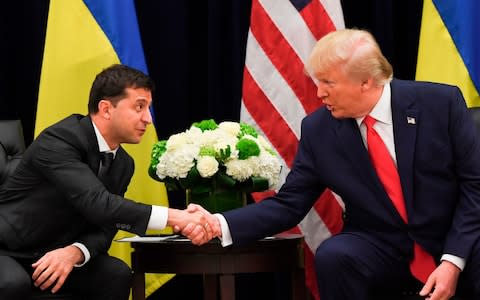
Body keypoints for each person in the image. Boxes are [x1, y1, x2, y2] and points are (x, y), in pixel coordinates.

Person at [183, 29, 480, 300]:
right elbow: (289, 204)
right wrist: (218, 223)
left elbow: (474, 185)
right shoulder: (319, 130)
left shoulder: (440, 103)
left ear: (366, 81)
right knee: (334, 255)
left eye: (328, 83)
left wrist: (453, 261)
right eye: (317, 82)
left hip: (453, 237)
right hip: (382, 246)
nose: (319, 93)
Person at [0, 64, 212, 300]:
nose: (148, 119)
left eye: (148, 108)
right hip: (7, 249)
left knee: (116, 274)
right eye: (139, 107)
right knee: (12, 283)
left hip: (53, 253)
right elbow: (98, 203)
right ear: (106, 109)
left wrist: (75, 252)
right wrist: (176, 216)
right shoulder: (59, 140)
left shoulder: (123, 163)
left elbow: (106, 225)